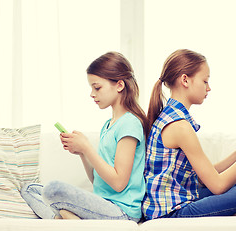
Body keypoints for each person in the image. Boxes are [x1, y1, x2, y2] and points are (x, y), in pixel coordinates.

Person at [21, 52, 147, 222]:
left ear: (119, 85)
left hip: (121, 211)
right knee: (29, 188)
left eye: (97, 87)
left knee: (53, 189)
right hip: (102, 204)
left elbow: (118, 183)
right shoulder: (108, 126)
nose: (92, 94)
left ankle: (64, 219)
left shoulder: (130, 124)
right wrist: (82, 153)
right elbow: (97, 179)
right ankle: (62, 219)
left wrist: (87, 147)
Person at [142, 49, 236, 220]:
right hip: (172, 213)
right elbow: (218, 185)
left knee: (235, 186)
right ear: (185, 80)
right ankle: (234, 215)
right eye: (205, 81)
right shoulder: (180, 126)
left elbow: (204, 176)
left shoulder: (169, 117)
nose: (209, 88)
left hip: (173, 202)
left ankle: (235, 214)